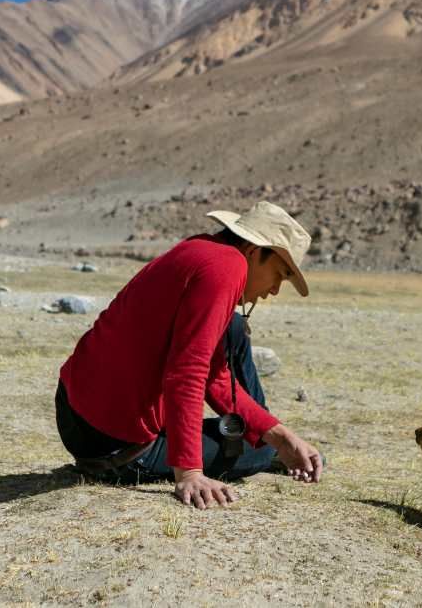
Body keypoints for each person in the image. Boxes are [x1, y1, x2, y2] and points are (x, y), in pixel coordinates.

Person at [55, 201, 324, 509]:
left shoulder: (200, 249)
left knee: (233, 329)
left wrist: (279, 434)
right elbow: (188, 371)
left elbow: (214, 377)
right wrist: (190, 473)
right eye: (280, 273)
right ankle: (261, 449)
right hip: (116, 446)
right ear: (253, 251)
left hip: (75, 413)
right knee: (260, 450)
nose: (276, 289)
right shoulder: (228, 267)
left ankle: (269, 440)